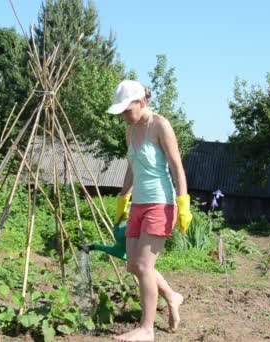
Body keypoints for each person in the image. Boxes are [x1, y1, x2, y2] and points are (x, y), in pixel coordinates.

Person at [107, 80, 193, 342]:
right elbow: (132, 168)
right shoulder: (130, 130)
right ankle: (171, 295)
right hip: (139, 204)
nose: (124, 115)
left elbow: (177, 166)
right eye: (120, 111)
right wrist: (123, 198)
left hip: (160, 202)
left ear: (141, 102)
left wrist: (183, 203)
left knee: (145, 266)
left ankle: (147, 329)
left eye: (127, 109)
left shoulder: (160, 125)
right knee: (133, 265)